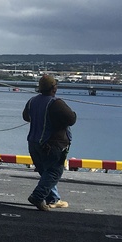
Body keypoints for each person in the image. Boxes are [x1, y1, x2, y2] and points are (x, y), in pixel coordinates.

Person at [22, 74, 77, 211]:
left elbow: (26, 117)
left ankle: (53, 199)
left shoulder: (32, 101)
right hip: (51, 144)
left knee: (45, 173)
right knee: (54, 172)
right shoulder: (56, 103)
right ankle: (38, 196)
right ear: (54, 88)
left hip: (33, 143)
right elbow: (71, 119)